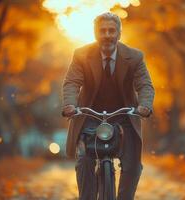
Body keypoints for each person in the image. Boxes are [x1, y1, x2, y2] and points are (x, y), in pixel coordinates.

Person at [62, 12, 155, 200]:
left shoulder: (134, 57)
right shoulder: (81, 55)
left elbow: (144, 84)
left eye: (111, 30)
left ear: (119, 34)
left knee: (133, 165)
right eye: (102, 31)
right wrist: (71, 104)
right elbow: (72, 82)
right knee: (85, 161)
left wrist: (144, 105)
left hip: (124, 117)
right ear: (95, 34)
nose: (107, 35)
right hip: (91, 115)